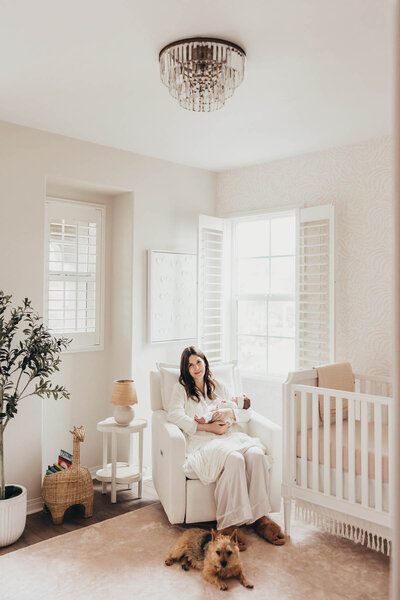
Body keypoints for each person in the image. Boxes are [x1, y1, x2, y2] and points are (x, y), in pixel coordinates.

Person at [166, 346, 285, 546]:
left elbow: (245, 413)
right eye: (190, 365)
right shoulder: (181, 390)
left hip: (230, 437)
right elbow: (174, 415)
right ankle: (228, 525)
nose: (196, 368)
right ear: (186, 369)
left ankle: (260, 518)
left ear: (205, 363)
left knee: (256, 454)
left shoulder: (219, 386)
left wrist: (230, 414)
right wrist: (208, 427)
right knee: (235, 459)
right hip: (204, 442)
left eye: (198, 362)